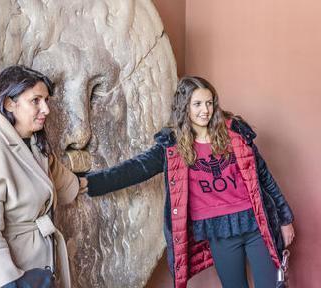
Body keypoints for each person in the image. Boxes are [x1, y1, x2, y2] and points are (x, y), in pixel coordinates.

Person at [82, 76, 295, 288]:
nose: (205, 110)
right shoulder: (172, 147)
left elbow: (264, 177)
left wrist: (285, 220)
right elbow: (136, 169)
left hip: (255, 223)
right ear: (185, 106)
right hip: (218, 230)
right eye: (198, 104)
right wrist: (90, 184)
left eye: (209, 103)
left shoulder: (235, 133)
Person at [0, 65, 81, 288]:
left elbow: (70, 184)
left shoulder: (35, 147)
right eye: (36, 100)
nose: (46, 109)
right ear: (9, 103)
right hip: (3, 280)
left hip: (35, 273)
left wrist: (129, 172)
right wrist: (8, 282)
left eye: (46, 101)